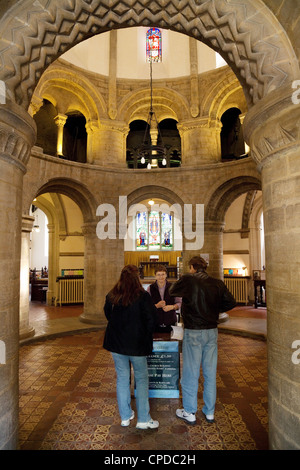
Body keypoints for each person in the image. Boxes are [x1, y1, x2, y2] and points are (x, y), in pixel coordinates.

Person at [169, 256, 236, 425]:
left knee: (191, 372)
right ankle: (209, 411)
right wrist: (213, 308)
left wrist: (185, 278)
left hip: (194, 331)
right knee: (210, 372)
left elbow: (172, 291)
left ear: (192, 267)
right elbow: (231, 302)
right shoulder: (217, 283)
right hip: (212, 332)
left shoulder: (188, 279)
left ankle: (190, 411)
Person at [103, 264, 159, 429]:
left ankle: (125, 417)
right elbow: (152, 319)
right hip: (137, 345)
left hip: (117, 344)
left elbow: (108, 315)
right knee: (141, 379)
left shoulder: (112, 295)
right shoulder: (142, 296)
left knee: (122, 379)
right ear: (137, 278)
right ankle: (143, 419)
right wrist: (144, 333)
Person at [147, 265, 181, 333]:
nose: (161, 277)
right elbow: (147, 306)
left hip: (170, 321)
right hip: (155, 322)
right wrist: (156, 306)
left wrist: (172, 307)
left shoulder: (173, 287)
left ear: (166, 275)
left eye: (163, 274)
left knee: (171, 342)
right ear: (155, 276)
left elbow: (180, 302)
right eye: (158, 275)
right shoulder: (150, 288)